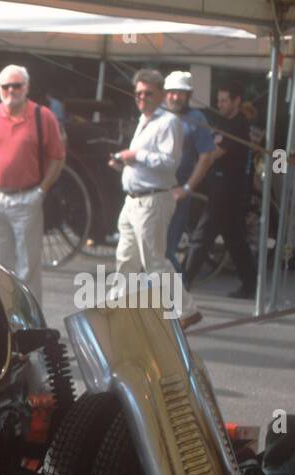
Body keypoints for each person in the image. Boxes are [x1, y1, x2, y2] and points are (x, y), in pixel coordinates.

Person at [107, 69, 197, 324]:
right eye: (138, 93)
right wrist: (123, 163)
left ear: (160, 95)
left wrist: (134, 156)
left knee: (154, 259)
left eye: (148, 93)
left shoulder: (169, 122)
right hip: (134, 198)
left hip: (153, 199)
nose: (142, 98)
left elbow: (169, 162)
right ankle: (119, 309)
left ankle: (187, 309)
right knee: (126, 257)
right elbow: (145, 161)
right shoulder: (144, 120)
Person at [0, 64, 66, 302]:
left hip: (28, 196)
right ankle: (4, 313)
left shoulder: (42, 116)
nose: (11, 90)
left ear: (27, 87)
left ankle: (31, 321)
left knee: (28, 265)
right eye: (6, 86)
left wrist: (41, 191)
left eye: (17, 85)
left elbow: (58, 156)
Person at [183, 81, 258, 300]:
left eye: (225, 100)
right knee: (234, 237)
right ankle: (250, 282)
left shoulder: (238, 124)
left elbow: (214, 153)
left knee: (202, 235)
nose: (220, 104)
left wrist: (198, 157)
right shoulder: (226, 122)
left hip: (229, 187)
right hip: (224, 184)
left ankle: (183, 284)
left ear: (236, 101)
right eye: (219, 100)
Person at [162, 71, 218, 274]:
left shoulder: (196, 118)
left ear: (189, 95)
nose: (175, 97)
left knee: (166, 251)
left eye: (181, 93)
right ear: (165, 93)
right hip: (153, 192)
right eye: (172, 92)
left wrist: (186, 188)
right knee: (151, 250)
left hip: (176, 193)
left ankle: (180, 295)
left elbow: (207, 156)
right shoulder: (158, 113)